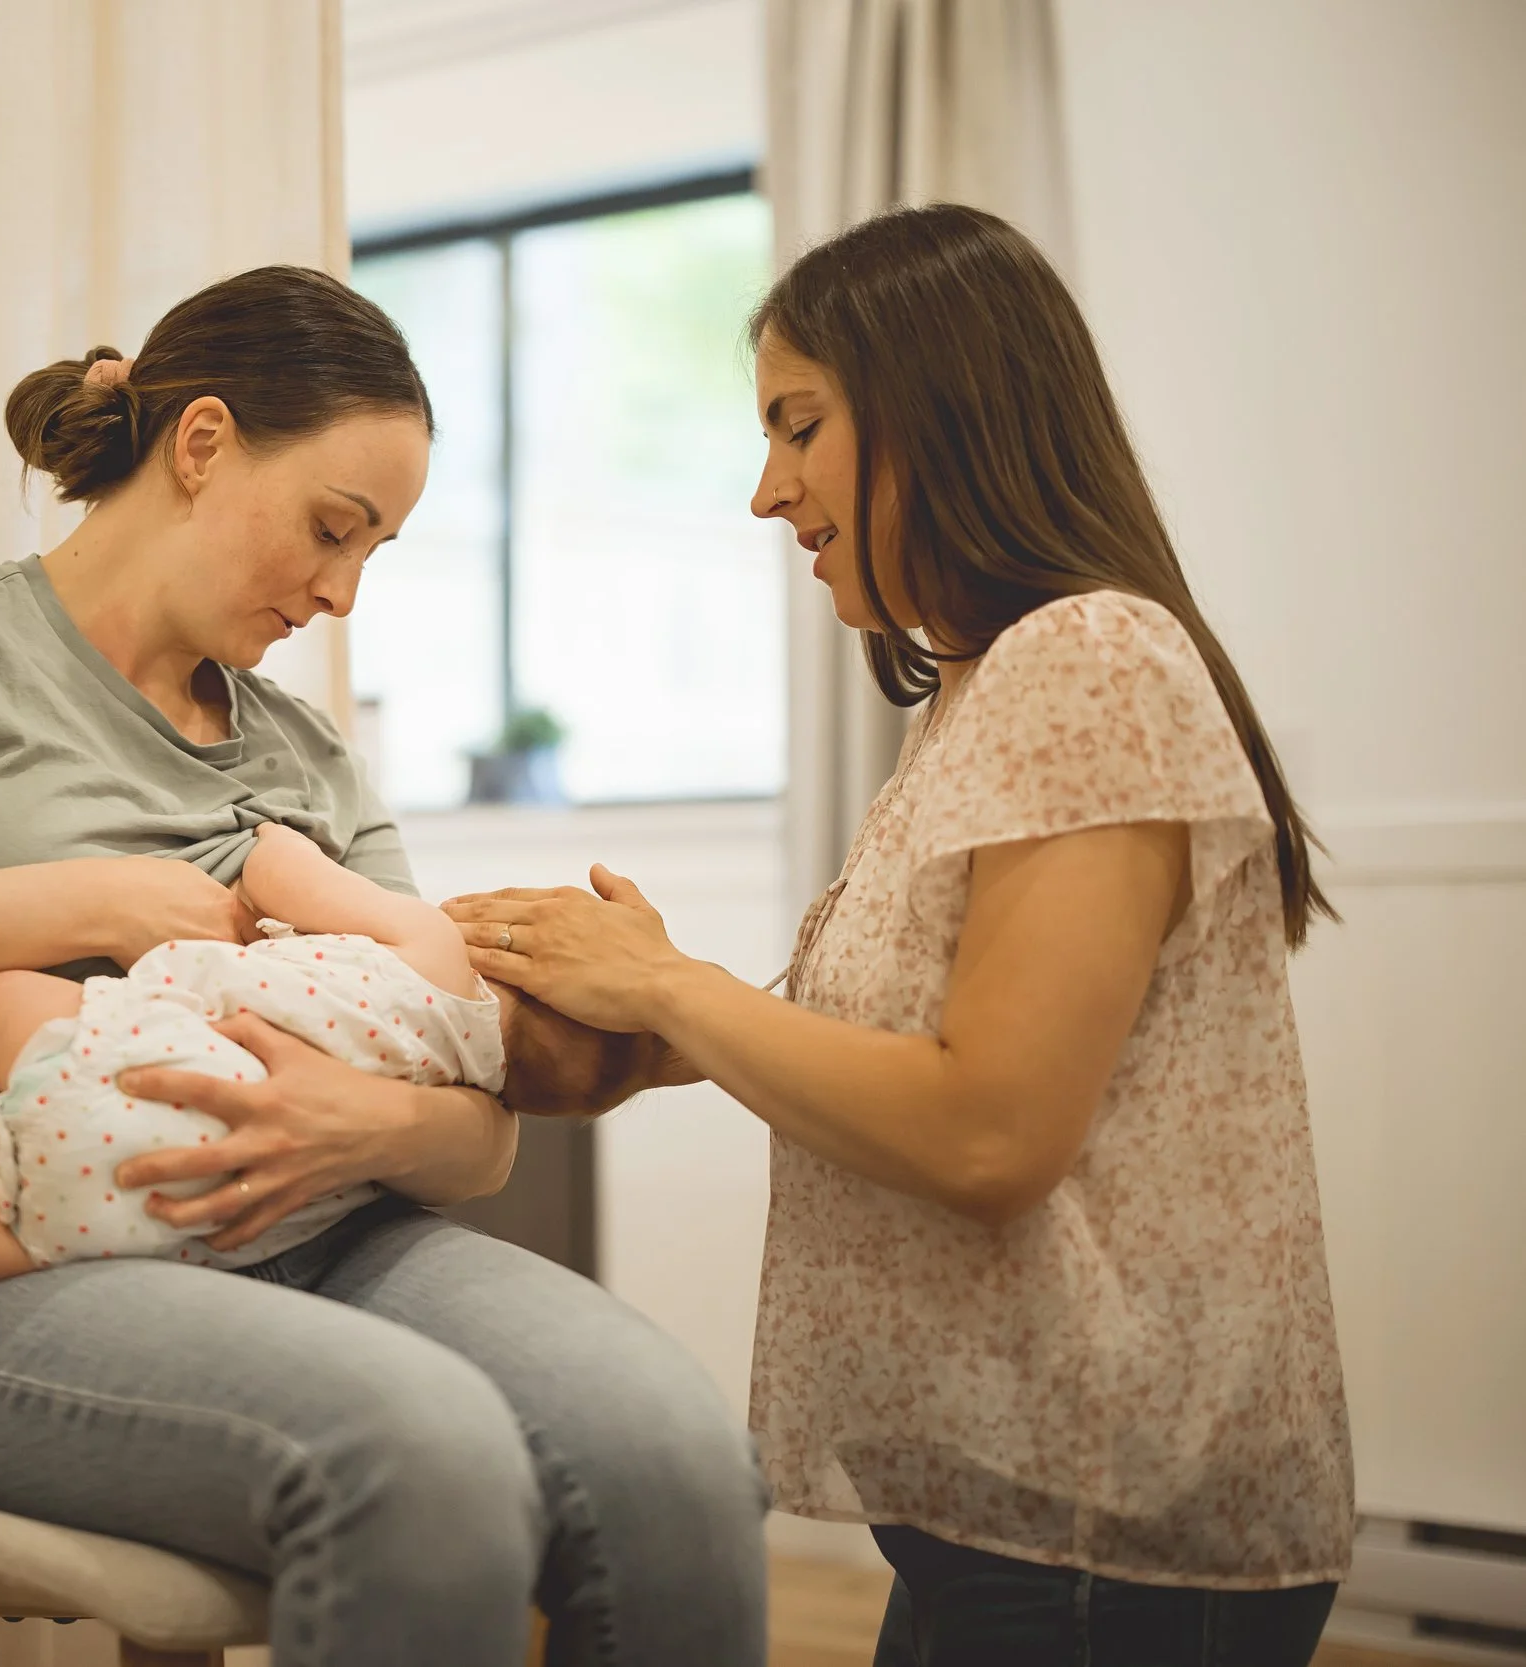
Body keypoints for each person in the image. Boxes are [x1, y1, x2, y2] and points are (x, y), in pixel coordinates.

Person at [0, 264, 766, 1666]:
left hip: (341, 1225)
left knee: (675, 1460)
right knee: (422, 1462)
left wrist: (370, 1122)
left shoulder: (305, 757)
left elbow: (471, 1108)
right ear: (200, 443)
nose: (340, 589)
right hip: (12, 1251)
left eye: (373, 552)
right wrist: (90, 899)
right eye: (331, 527)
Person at [448, 205, 1355, 1666]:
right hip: (998, 1504)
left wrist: (668, 987)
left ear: (943, 407)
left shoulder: (1093, 657)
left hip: (1097, 1520)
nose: (765, 491)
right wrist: (631, 1033)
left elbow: (989, 1130)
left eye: (798, 425)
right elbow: (894, 1039)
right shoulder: (983, 693)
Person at [0, 821, 521, 1480]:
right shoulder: (476, 1077)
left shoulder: (435, 946)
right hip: (212, 1220)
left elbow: (278, 869)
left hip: (111, 1102)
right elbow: (484, 1150)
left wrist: (279, 843)